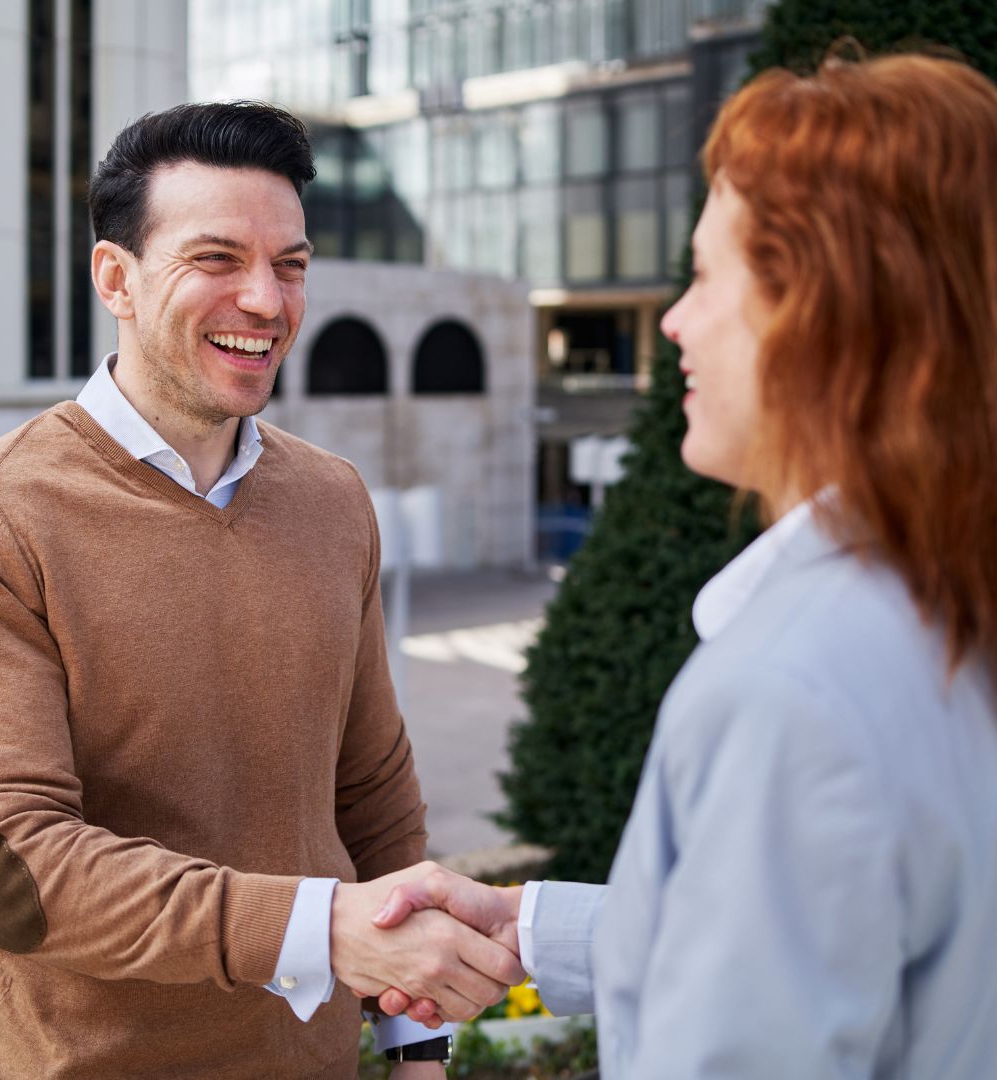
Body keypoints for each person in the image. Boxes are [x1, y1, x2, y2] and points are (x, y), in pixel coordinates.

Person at [370, 52, 997, 1078]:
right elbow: (806, 939)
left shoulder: (788, 697)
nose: (673, 322)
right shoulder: (942, 604)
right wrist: (525, 927)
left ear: (823, 313)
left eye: (706, 276)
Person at [0, 102, 522, 1080]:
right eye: (216, 259)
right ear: (115, 277)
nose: (266, 301)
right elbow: (13, 873)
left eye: (290, 265)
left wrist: (415, 1040)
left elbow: (371, 797)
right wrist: (322, 928)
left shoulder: (332, 497)